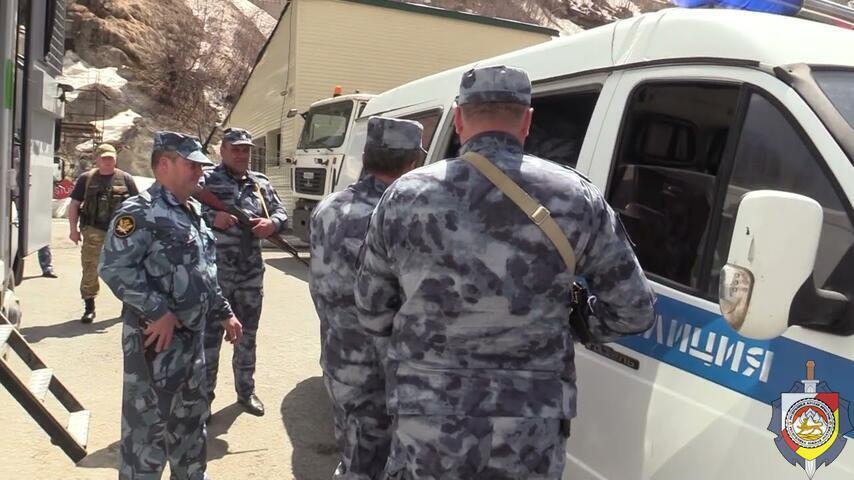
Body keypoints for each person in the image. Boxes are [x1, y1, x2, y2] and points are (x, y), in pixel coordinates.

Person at [354, 65, 657, 479]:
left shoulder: (403, 196)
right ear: (527, 121)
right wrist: (572, 322)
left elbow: (372, 311)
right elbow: (634, 311)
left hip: (429, 418)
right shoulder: (576, 197)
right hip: (529, 425)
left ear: (459, 119)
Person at [99, 131, 242, 480]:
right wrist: (157, 310)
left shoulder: (193, 211)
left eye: (201, 166)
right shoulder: (140, 211)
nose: (200, 172)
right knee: (146, 435)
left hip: (193, 343)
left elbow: (203, 271)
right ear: (164, 165)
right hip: (155, 345)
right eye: (192, 165)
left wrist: (224, 312)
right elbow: (114, 267)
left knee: (191, 428)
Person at [310, 117, 424, 479]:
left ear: (366, 156)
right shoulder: (403, 215)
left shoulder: (327, 207)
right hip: (381, 372)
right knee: (375, 463)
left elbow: (319, 287)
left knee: (353, 454)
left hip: (339, 359)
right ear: (412, 162)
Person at [199, 127, 288, 416]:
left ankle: (246, 392)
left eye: (246, 150)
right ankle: (203, 400)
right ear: (222, 151)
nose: (241, 155)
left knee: (248, 336)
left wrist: (272, 224)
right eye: (235, 149)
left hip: (250, 274)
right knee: (210, 339)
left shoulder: (260, 183)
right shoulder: (205, 180)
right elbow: (185, 208)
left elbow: (281, 212)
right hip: (216, 275)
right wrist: (213, 216)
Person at [68, 143, 138, 323]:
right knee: (90, 268)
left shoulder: (126, 179)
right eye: (104, 158)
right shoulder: (86, 179)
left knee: (125, 269)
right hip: (93, 230)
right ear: (97, 159)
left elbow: (138, 207)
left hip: (121, 232)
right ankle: (89, 307)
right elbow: (74, 205)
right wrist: (73, 230)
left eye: (111, 158)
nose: (108, 161)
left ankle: (127, 306)